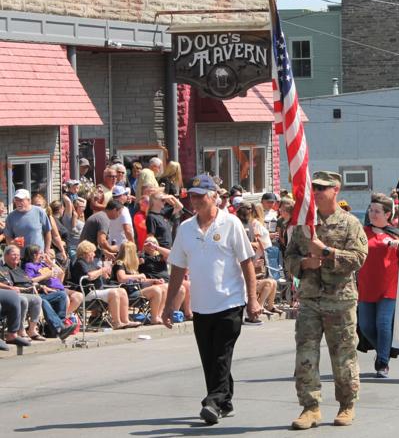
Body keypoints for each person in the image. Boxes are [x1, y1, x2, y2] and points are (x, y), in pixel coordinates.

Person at [162, 174, 260, 426]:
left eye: (200, 196)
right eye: (192, 196)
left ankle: (213, 402)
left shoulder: (231, 223)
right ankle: (225, 401)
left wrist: (253, 299)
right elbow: (177, 269)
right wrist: (169, 305)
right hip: (201, 305)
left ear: (213, 196)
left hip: (230, 301)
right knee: (209, 356)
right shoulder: (185, 229)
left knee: (221, 354)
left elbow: (247, 262)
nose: (195, 201)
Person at [285, 171, 368, 429]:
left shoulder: (350, 223)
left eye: (323, 188)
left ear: (336, 190)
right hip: (310, 299)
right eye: (314, 188)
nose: (317, 192)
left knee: (343, 356)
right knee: (305, 355)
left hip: (339, 301)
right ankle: (310, 408)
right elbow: (288, 257)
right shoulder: (302, 226)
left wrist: (328, 253)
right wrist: (302, 263)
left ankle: (347, 404)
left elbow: (359, 258)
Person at [357, 194, 399, 379]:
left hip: (389, 287)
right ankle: (384, 349)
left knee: (383, 324)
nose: (372, 213)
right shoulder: (361, 232)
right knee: (365, 326)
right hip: (366, 286)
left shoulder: (396, 235)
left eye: (377, 211)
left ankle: (383, 362)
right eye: (370, 210)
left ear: (387, 215)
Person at [71, 241, 140, 330]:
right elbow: (90, 276)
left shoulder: (91, 263)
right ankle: (116, 322)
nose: (94, 254)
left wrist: (104, 274)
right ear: (86, 253)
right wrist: (102, 270)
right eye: (92, 252)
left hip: (97, 291)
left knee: (122, 291)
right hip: (87, 293)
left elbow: (98, 275)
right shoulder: (80, 263)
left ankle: (125, 320)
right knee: (114, 293)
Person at [112, 242, 171, 325]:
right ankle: (154, 318)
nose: (136, 253)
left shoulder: (132, 265)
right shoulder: (120, 263)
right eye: (134, 251)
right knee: (156, 290)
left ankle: (158, 316)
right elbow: (122, 278)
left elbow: (141, 280)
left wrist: (153, 281)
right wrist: (138, 276)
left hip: (136, 290)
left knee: (163, 288)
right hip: (127, 293)